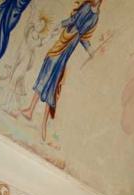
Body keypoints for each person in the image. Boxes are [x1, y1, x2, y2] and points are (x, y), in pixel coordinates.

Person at [19, 0, 102, 140]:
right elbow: (73, 21)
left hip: (67, 50)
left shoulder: (95, 17)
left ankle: (42, 123)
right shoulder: (87, 7)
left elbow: (83, 37)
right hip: (63, 41)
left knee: (53, 83)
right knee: (46, 73)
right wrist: (61, 24)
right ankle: (30, 110)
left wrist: (90, 50)